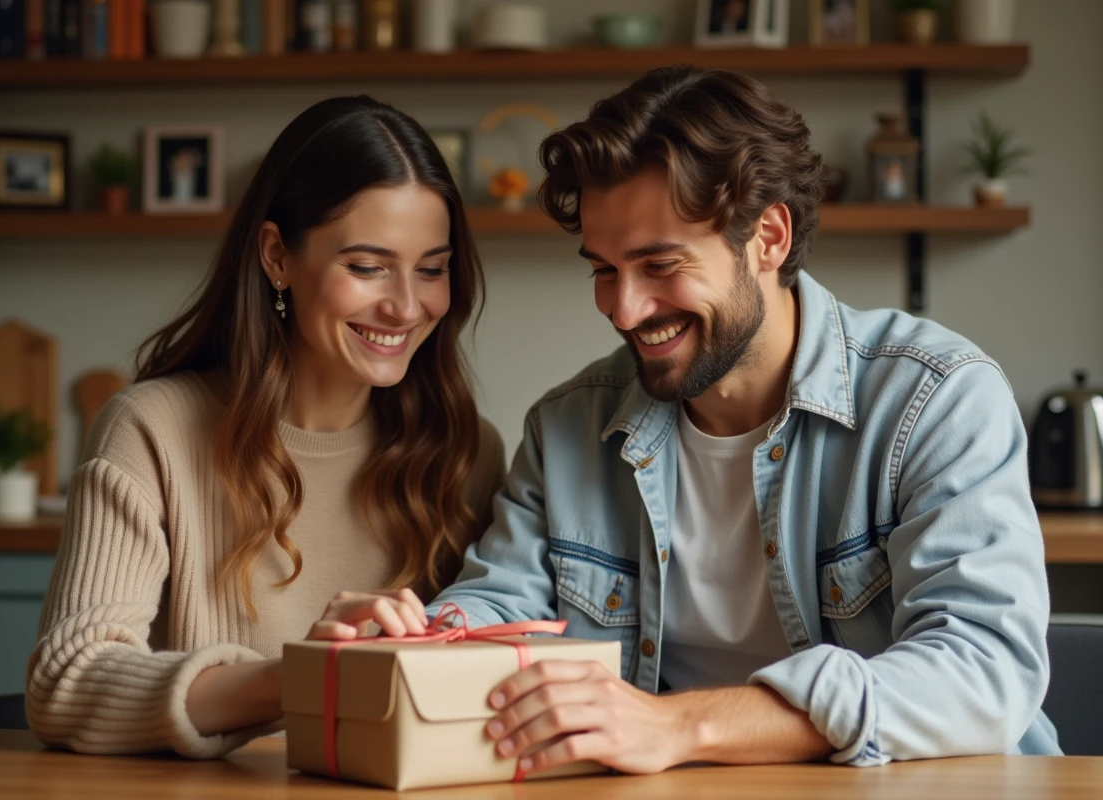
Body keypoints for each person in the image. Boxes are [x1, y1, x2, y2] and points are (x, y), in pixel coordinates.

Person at [313, 67, 1060, 772]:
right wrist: (420, 640)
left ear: (769, 238)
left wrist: (679, 725)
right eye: (604, 269)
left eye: (660, 265)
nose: (624, 309)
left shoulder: (935, 400)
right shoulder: (568, 427)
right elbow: (499, 604)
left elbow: (983, 669)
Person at [26, 96, 506, 758]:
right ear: (278, 256)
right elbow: (67, 683)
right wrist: (299, 679)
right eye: (367, 267)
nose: (405, 305)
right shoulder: (150, 431)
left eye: (432, 268)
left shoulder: (466, 452)